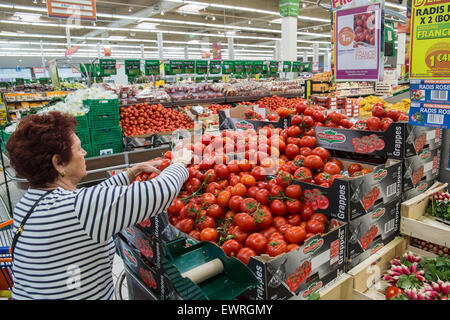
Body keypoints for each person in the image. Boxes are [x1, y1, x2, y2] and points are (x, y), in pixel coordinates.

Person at [5, 111, 190, 300]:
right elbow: (161, 192)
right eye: (79, 149)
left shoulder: (27, 204)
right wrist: (180, 163)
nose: (84, 153)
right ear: (59, 163)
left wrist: (130, 174)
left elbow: (92, 202)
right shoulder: (78, 209)